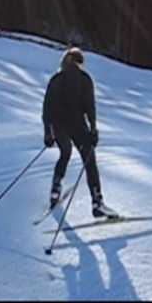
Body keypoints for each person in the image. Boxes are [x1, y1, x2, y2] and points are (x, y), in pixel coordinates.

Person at [42, 47, 118, 218]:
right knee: (89, 161)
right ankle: (97, 201)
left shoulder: (56, 79)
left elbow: (47, 107)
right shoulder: (85, 79)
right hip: (78, 126)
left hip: (59, 125)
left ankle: (55, 189)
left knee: (65, 153)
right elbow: (90, 107)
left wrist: (48, 132)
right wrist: (93, 129)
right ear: (80, 62)